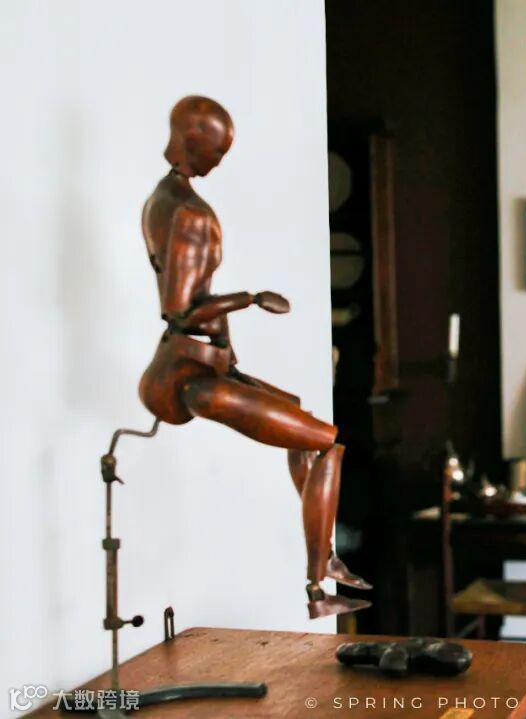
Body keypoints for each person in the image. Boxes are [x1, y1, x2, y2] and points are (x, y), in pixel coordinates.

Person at [138, 96, 369, 618]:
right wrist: (251, 298)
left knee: (301, 420)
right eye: (217, 151)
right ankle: (319, 584)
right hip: (187, 378)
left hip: (204, 364)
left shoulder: (161, 199)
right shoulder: (189, 214)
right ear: (192, 140)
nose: (219, 162)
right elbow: (180, 310)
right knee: (326, 442)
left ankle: (324, 558)